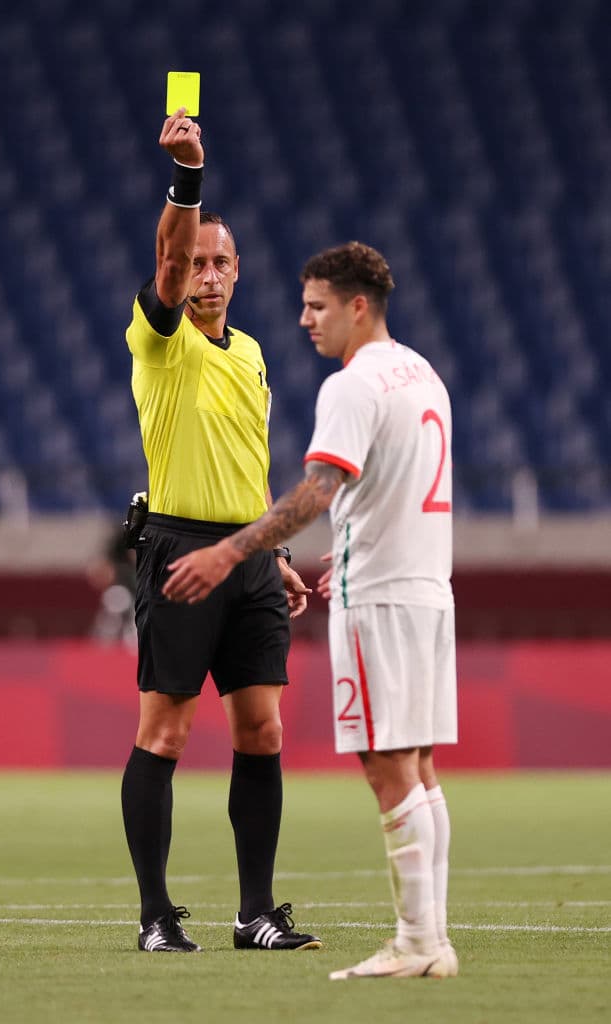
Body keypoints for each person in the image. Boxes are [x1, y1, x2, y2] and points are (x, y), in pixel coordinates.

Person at [163, 241, 459, 979]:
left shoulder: (353, 385)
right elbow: (391, 485)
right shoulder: (421, 371)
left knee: (386, 765)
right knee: (419, 767)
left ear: (358, 305)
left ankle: (417, 943)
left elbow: (313, 494)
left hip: (379, 600)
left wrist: (230, 553)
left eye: (317, 305)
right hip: (428, 589)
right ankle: (432, 939)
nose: (303, 320)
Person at [120, 107, 321, 955]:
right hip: (176, 549)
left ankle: (254, 915)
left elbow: (250, 463)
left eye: (218, 261)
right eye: (196, 260)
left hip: (245, 555)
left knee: (262, 730)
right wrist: (189, 177)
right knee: (164, 729)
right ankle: (155, 917)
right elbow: (165, 258)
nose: (204, 271)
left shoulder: (251, 352)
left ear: (239, 272)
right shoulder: (160, 339)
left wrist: (268, 550)